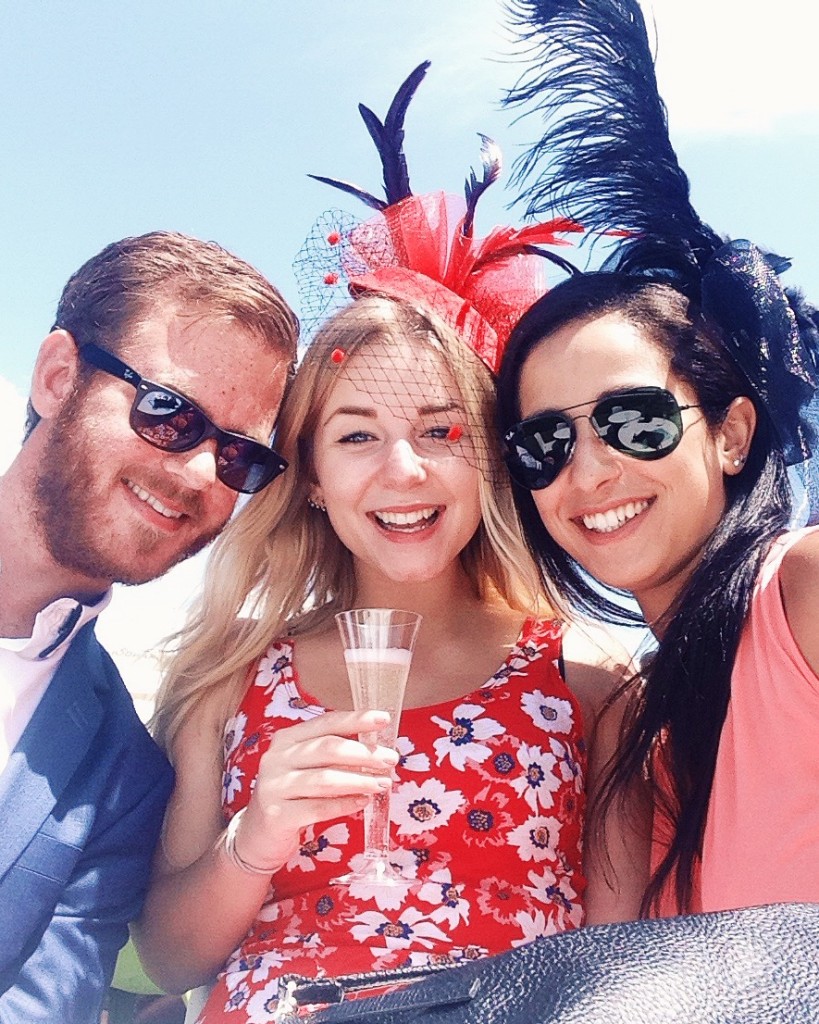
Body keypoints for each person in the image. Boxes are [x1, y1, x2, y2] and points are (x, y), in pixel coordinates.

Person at [134, 65, 647, 1023]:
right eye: (357, 434)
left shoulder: (587, 676)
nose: (402, 470)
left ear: (489, 464)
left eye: (443, 431)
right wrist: (255, 836)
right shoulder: (232, 682)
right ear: (314, 480)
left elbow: (610, 962)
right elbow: (165, 961)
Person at [496, 0, 819, 917]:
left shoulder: (800, 591)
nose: (587, 471)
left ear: (729, 433)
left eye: (631, 419)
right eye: (544, 442)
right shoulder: (635, 722)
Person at [0, 230, 298, 1023]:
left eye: (239, 457)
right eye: (168, 413)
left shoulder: (123, 780)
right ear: (58, 377)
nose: (202, 473)